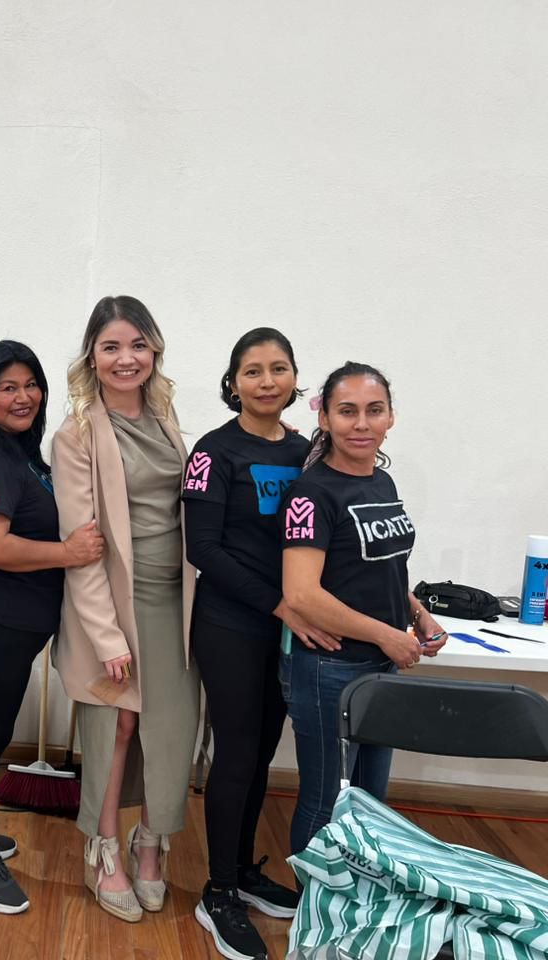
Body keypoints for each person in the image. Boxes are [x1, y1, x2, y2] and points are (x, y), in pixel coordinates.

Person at [0, 340, 104, 915]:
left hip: (12, 628)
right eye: (7, 386)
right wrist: (69, 553)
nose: (24, 396)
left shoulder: (17, 450)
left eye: (30, 384)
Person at [52, 295, 201, 924]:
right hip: (112, 606)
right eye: (111, 346)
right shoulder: (78, 434)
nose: (125, 358)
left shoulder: (168, 421)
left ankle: (151, 843)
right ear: (92, 355)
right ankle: (105, 845)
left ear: (154, 351)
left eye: (137, 345)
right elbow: (82, 548)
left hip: (175, 602)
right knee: (116, 728)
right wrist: (108, 637)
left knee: (168, 731)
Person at [183, 329, 329, 959]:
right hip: (231, 624)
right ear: (234, 381)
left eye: (278, 369)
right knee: (237, 751)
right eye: (252, 371)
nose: (267, 381)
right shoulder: (214, 451)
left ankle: (242, 872)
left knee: (264, 752)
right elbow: (202, 549)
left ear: (297, 378)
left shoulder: (307, 453)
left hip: (289, 628)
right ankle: (217, 893)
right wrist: (278, 605)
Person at [279, 362, 446, 856]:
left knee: (372, 798)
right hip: (330, 667)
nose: (361, 423)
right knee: (326, 797)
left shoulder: (381, 484)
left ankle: (360, 904)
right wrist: (386, 635)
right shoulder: (312, 493)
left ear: (391, 418)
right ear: (325, 419)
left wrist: (417, 615)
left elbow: (381, 567)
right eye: (347, 411)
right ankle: (316, 912)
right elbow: (302, 594)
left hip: (381, 660)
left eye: (374, 411)